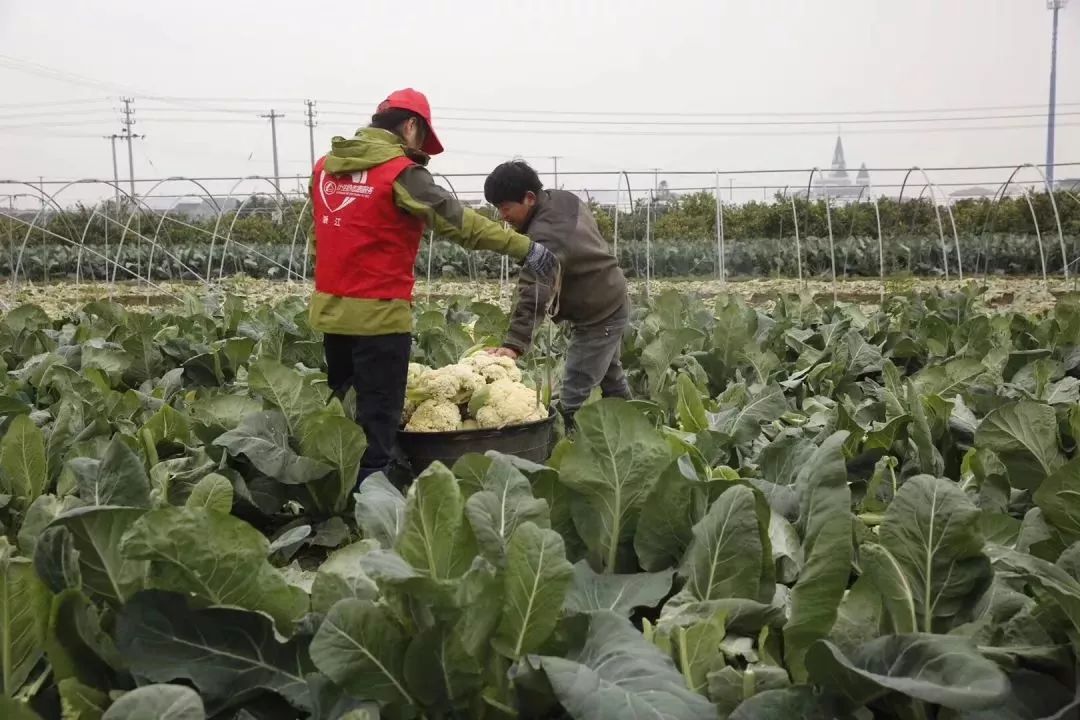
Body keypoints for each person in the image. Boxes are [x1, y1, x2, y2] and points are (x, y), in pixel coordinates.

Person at [308, 89, 558, 485]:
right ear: (411, 126)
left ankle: (343, 489)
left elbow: (320, 235)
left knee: (347, 408)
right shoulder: (400, 172)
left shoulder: (324, 168)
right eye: (421, 138)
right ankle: (375, 506)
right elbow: (458, 222)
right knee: (379, 420)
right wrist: (525, 248)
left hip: (331, 314)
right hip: (379, 317)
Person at [483, 160, 631, 431]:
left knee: (574, 387)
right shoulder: (561, 199)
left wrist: (514, 344)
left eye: (505, 208)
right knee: (611, 378)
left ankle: (561, 442)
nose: (502, 215)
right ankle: (637, 429)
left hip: (600, 313)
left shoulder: (547, 236)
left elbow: (534, 289)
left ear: (528, 198)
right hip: (608, 296)